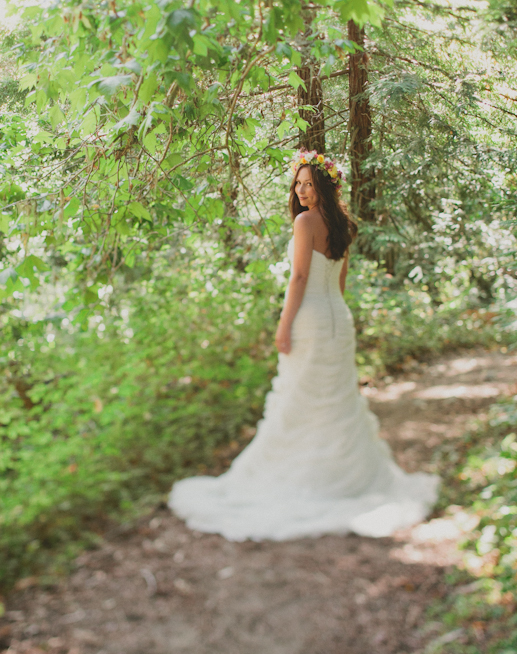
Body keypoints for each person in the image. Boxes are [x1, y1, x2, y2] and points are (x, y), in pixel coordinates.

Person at [169, 149, 438, 540]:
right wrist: (333, 313)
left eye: (309, 183)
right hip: (338, 320)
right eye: (298, 183)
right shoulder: (345, 223)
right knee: (334, 399)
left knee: (303, 398)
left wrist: (284, 325)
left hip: (311, 319)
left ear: (324, 186)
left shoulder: (305, 222)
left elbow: (298, 278)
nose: (302, 189)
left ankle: (307, 481)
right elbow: (340, 281)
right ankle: (345, 481)